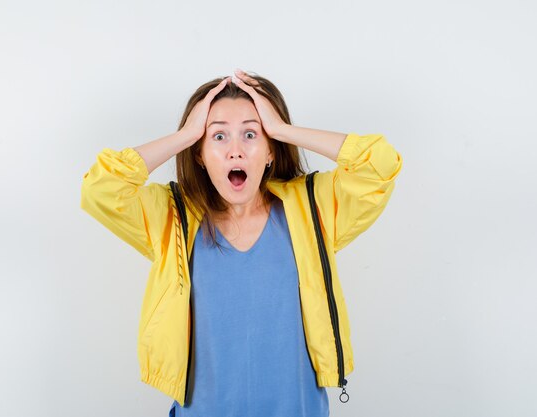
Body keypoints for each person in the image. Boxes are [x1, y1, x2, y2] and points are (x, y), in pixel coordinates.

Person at [80, 69, 403, 417]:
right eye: (218, 137)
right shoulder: (172, 218)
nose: (235, 151)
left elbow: (379, 165)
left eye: (251, 133)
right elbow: (100, 188)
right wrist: (188, 134)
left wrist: (282, 129)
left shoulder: (313, 209)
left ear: (270, 153)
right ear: (200, 155)